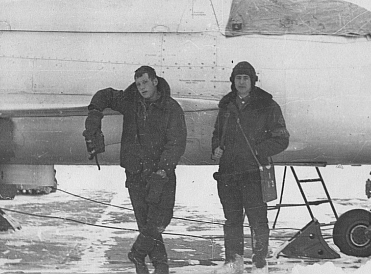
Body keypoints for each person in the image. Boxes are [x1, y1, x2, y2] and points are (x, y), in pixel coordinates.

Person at [82, 66, 187, 274]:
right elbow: (106, 95)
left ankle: (138, 253)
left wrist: (163, 170)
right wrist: (94, 113)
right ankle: (159, 266)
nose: (141, 88)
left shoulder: (170, 108)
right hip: (136, 172)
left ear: (155, 81)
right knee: (145, 222)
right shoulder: (130, 102)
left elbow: (176, 142)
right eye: (138, 84)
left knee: (161, 218)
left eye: (145, 83)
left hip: (160, 173)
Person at [212, 61, 290, 274]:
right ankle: (233, 261)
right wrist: (216, 147)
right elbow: (217, 133)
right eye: (238, 78)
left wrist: (257, 150)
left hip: (254, 173)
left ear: (253, 80)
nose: (242, 82)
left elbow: (282, 139)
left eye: (246, 78)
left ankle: (259, 263)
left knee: (258, 221)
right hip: (229, 173)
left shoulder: (267, 104)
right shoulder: (227, 105)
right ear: (233, 81)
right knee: (232, 220)